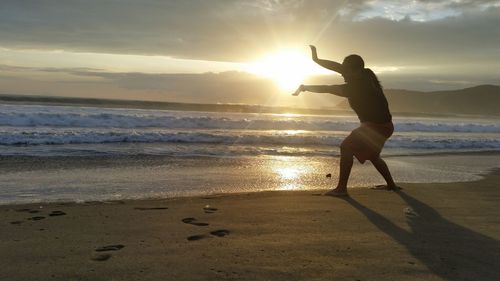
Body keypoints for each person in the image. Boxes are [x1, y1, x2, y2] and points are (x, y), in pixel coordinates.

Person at [294, 45, 398, 196]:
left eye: (346, 71)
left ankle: (341, 189)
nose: (343, 74)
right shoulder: (365, 73)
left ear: (355, 71)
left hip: (375, 128)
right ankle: (392, 185)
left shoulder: (358, 88)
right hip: (385, 126)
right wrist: (316, 59)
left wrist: (306, 87)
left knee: (346, 147)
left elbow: (328, 88)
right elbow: (336, 66)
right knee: (374, 156)